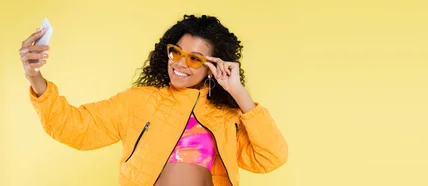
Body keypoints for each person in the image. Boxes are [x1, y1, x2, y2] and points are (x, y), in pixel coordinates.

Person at [19, 15, 288, 186]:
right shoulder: (140, 101)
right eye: (176, 53)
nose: (181, 64)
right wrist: (35, 77)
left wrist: (238, 92)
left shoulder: (226, 116)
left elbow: (271, 158)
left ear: (212, 67)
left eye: (195, 58)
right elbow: (76, 128)